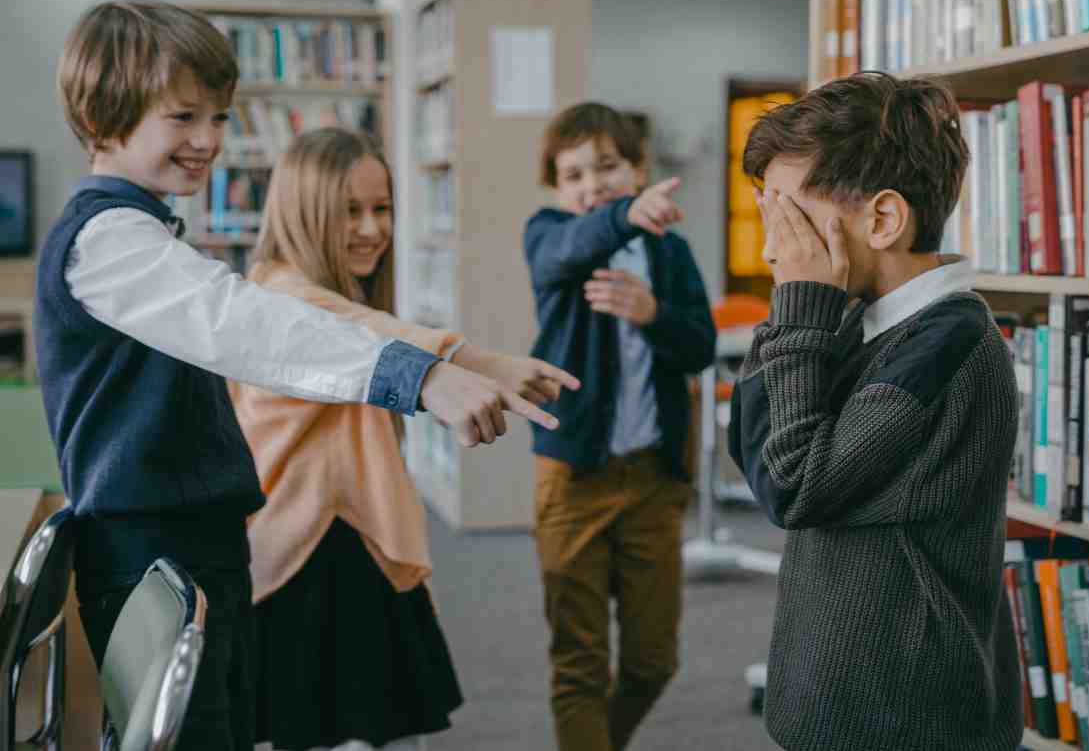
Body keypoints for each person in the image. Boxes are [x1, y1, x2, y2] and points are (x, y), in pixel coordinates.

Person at [35, 0, 560, 751]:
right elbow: (245, 322)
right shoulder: (108, 240)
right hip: (152, 550)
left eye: (218, 118)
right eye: (184, 118)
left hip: (191, 543)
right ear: (104, 114)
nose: (209, 141)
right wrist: (421, 377)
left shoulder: (142, 229)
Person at [231, 127, 578, 750]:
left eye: (381, 208)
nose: (371, 229)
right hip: (308, 548)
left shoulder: (321, 289)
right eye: (349, 211)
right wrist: (476, 361)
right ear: (304, 213)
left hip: (344, 533)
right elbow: (367, 334)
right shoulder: (280, 294)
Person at [728, 72, 1023, 751]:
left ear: (883, 220)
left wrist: (802, 304)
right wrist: (798, 313)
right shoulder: (865, 320)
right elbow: (758, 447)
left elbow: (794, 485)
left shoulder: (948, 347)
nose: (774, 247)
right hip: (842, 692)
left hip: (902, 713)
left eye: (790, 217)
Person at [523, 103, 715, 751]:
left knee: (651, 662)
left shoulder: (670, 252)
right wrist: (620, 217)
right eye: (573, 174)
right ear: (556, 187)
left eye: (607, 167)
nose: (592, 184)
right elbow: (568, 249)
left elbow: (699, 347)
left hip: (652, 483)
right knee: (578, 662)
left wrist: (654, 312)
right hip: (573, 480)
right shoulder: (550, 234)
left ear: (637, 169)